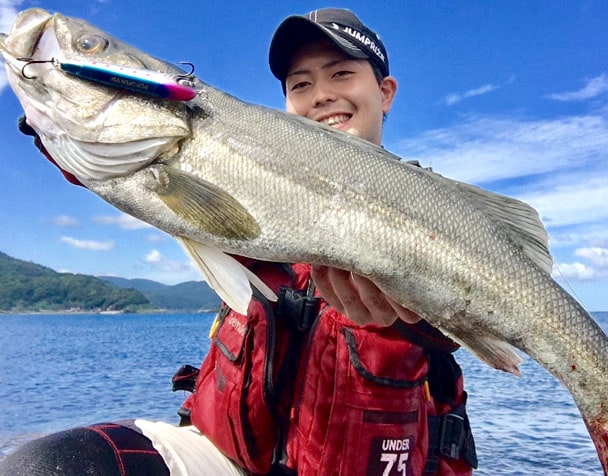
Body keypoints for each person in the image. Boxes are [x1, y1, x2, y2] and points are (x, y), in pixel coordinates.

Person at [0, 8, 477, 476]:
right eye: (301, 84)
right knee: (48, 466)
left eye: (342, 73)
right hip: (225, 457)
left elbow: (469, 317)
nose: (322, 95)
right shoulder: (252, 185)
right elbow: (143, 165)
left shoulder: (439, 211)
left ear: (386, 92)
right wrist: (59, 117)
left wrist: (415, 319)